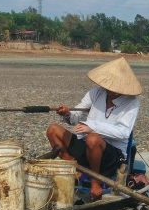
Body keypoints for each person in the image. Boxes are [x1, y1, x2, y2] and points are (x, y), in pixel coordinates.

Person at [46, 57, 142, 201]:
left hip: (112, 155)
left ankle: (95, 182)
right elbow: (76, 117)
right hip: (87, 147)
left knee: (93, 139)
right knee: (53, 130)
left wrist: (92, 127)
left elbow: (123, 133)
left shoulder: (132, 103)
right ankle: (75, 171)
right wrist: (67, 113)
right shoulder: (96, 93)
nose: (111, 90)